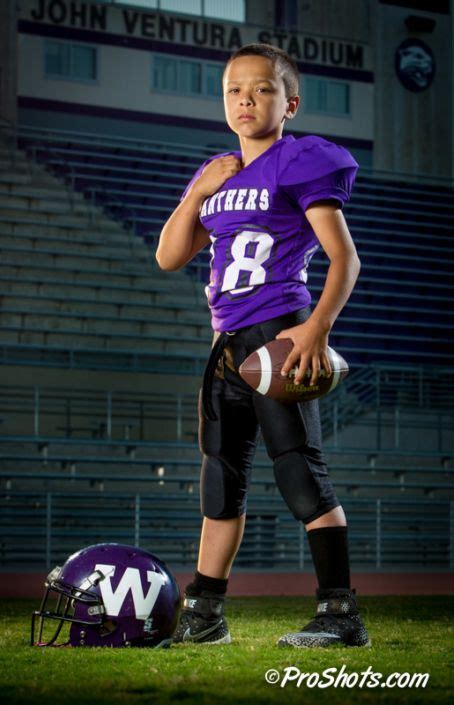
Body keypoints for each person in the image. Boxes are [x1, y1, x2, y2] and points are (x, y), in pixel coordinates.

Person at [156, 43, 370, 648]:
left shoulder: (301, 162)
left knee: (300, 471)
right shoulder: (218, 173)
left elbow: (343, 257)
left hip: (279, 333)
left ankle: (340, 613)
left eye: (262, 89)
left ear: (290, 103)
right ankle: (206, 613)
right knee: (220, 481)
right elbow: (170, 255)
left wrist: (316, 328)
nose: (245, 98)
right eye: (233, 90)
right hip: (225, 343)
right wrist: (195, 193)